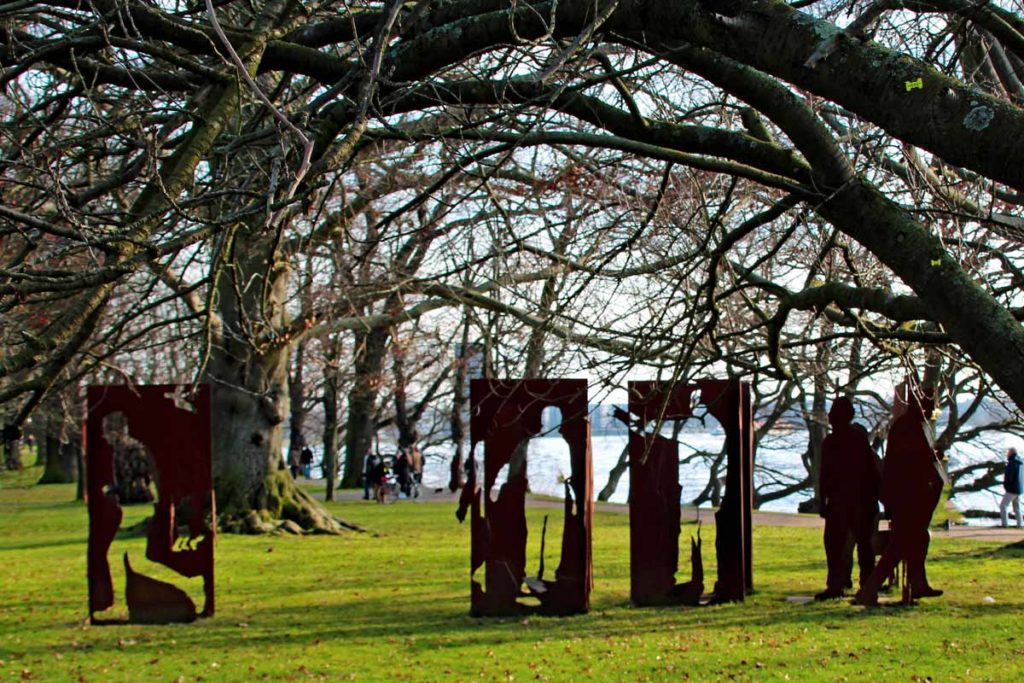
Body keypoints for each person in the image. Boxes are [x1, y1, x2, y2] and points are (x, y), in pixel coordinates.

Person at [856, 386, 944, 605]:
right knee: (901, 544)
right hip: (905, 497)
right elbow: (912, 463)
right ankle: (870, 589)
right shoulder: (908, 428)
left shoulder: (912, 426)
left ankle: (918, 582)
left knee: (917, 538)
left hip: (905, 496)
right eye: (930, 404)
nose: (932, 409)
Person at [816, 397, 880, 600]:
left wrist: (823, 500)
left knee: (840, 545)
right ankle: (865, 586)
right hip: (858, 500)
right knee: (861, 545)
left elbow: (825, 475)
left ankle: (839, 585)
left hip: (846, 500)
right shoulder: (856, 439)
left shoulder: (834, 442)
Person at [999, 447, 1024, 528]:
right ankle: (1020, 524)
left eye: (1008, 452)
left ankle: (1005, 524)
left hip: (1012, 488)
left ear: (1011, 453)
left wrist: (1006, 486)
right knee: (1017, 507)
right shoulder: (1020, 463)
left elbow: (1009, 477)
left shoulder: (1012, 463)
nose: (1007, 454)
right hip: (1019, 488)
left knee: (1003, 505)